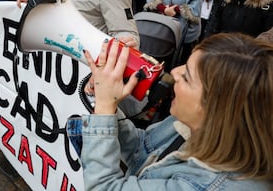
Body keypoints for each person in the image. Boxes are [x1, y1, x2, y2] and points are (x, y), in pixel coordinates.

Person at [67, 33, 273, 191]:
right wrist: (108, 99)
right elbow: (142, 150)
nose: (175, 72)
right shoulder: (189, 125)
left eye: (187, 76)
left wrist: (104, 109)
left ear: (215, 108)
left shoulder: (205, 185)